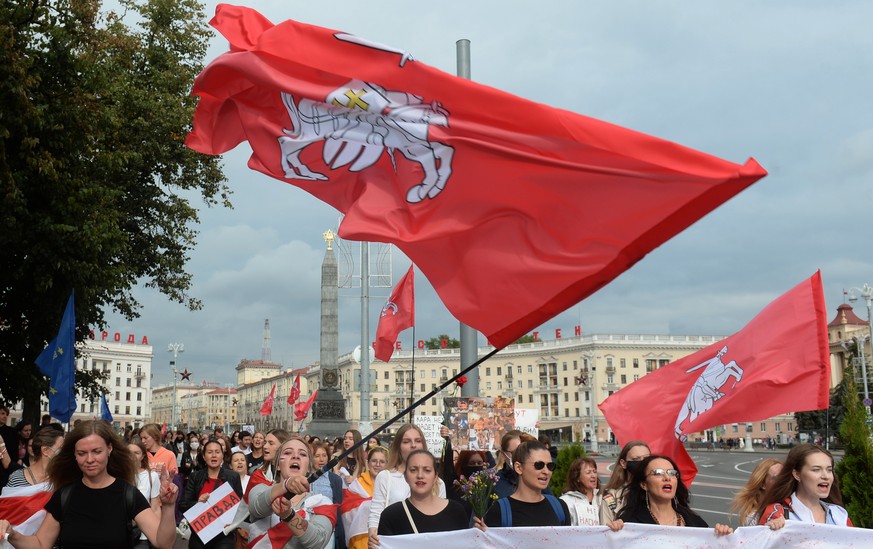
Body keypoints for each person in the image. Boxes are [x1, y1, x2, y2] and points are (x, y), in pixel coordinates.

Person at [0, 419, 178, 549]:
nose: (90, 459)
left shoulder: (128, 494)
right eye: (82, 453)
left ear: (109, 449)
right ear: (74, 455)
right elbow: (40, 544)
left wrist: (169, 507)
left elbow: (163, 542)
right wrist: (11, 534)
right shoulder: (64, 495)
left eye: (97, 451)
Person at [607, 455, 732, 537]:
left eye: (672, 473)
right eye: (658, 473)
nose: (667, 477)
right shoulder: (630, 523)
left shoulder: (695, 522)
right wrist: (614, 534)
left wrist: (721, 538)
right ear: (644, 484)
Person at [247, 437, 337, 548]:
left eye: (303, 454)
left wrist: (289, 516)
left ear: (308, 467)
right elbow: (257, 507)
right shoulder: (261, 489)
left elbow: (318, 541)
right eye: (288, 452)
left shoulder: (321, 502)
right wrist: (285, 485)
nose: (295, 456)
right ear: (278, 465)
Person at [368, 424, 445, 546]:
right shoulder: (385, 477)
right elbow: (376, 514)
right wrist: (373, 537)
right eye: (407, 441)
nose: (413, 445)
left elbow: (442, 519)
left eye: (418, 441)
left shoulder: (438, 482)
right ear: (399, 446)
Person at [376, 450, 473, 540]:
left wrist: (479, 536)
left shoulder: (456, 511)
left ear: (435, 477)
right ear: (405, 476)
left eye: (427, 470)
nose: (420, 476)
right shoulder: (391, 515)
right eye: (413, 470)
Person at [758, 443, 852, 528]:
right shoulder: (777, 513)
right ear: (797, 474)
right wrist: (771, 533)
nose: (826, 476)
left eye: (829, 470)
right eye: (816, 469)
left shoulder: (840, 515)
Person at [483, 441, 570, 528]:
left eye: (550, 466)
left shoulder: (559, 507)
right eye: (539, 465)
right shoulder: (500, 511)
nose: (546, 472)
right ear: (518, 468)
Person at [180, 439, 244, 549]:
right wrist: (198, 502)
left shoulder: (233, 477)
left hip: (224, 534)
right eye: (209, 452)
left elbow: (240, 506)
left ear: (222, 455)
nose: (214, 455)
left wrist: (233, 524)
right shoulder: (195, 477)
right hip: (200, 534)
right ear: (204, 457)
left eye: (217, 452)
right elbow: (183, 505)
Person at [344, 447, 388, 549]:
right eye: (374, 461)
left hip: (384, 539)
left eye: (382, 462)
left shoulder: (391, 485)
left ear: (387, 464)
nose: (377, 465)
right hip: (360, 540)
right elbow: (346, 512)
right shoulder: (357, 485)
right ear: (368, 463)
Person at [599, 440, 650, 524]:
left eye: (646, 459)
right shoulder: (611, 499)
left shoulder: (658, 492)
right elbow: (606, 533)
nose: (642, 463)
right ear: (623, 463)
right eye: (636, 459)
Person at [129, 440, 162, 549]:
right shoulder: (117, 476)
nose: (132, 456)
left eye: (136, 453)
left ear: (143, 456)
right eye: (129, 452)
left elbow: (156, 508)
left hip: (143, 535)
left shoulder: (152, 477)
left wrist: (157, 534)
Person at [731, 458, 782, 525]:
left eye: (785, 477)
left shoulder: (791, 502)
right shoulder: (753, 518)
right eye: (776, 478)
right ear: (763, 484)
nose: (783, 481)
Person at [559, 456, 601, 526]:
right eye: (588, 472)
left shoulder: (602, 499)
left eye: (594, 471)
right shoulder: (565, 501)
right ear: (577, 478)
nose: (593, 475)